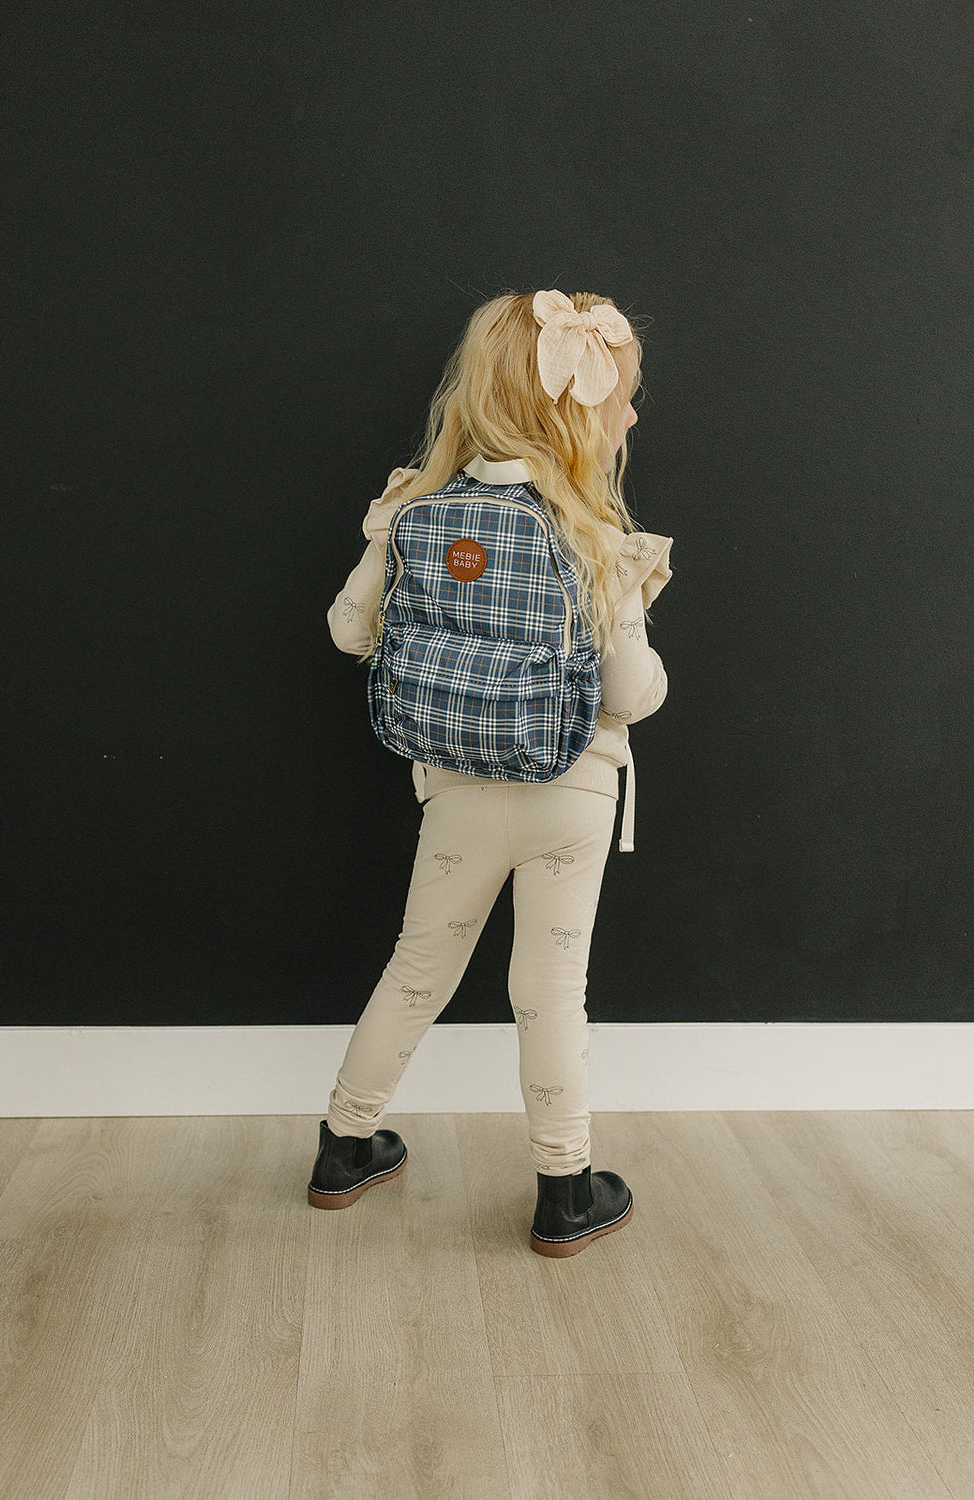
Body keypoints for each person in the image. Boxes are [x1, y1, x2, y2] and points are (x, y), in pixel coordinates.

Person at [309, 288, 673, 1257]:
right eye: (621, 400)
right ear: (575, 414)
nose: (632, 418)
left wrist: (382, 538)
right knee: (549, 992)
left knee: (416, 966)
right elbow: (631, 694)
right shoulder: (592, 539)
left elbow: (348, 632)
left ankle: (343, 1147)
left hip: (455, 790)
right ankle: (565, 1190)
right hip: (571, 793)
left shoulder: (415, 513)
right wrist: (638, 606)